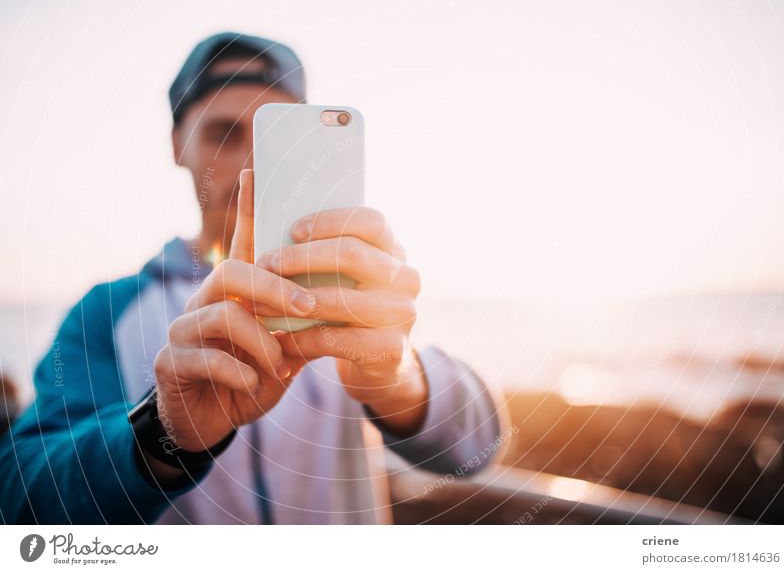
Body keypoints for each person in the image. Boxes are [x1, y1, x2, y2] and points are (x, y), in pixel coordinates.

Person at [0, 32, 502, 524]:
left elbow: (484, 445)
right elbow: (21, 495)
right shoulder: (106, 312)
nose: (252, 164)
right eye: (224, 133)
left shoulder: (351, 291)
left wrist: (400, 382)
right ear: (178, 145)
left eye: (277, 137)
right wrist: (165, 435)